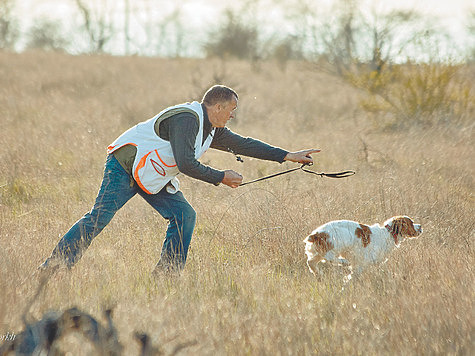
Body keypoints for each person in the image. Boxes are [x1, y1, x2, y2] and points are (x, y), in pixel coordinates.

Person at [39, 85, 320, 274]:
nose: (233, 115)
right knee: (98, 217)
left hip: (153, 173)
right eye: (231, 110)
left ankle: (167, 276)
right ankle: (53, 267)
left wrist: (288, 155)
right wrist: (221, 176)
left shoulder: (213, 128)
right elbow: (186, 163)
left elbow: (245, 144)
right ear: (218, 107)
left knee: (184, 216)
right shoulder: (188, 119)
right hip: (125, 165)